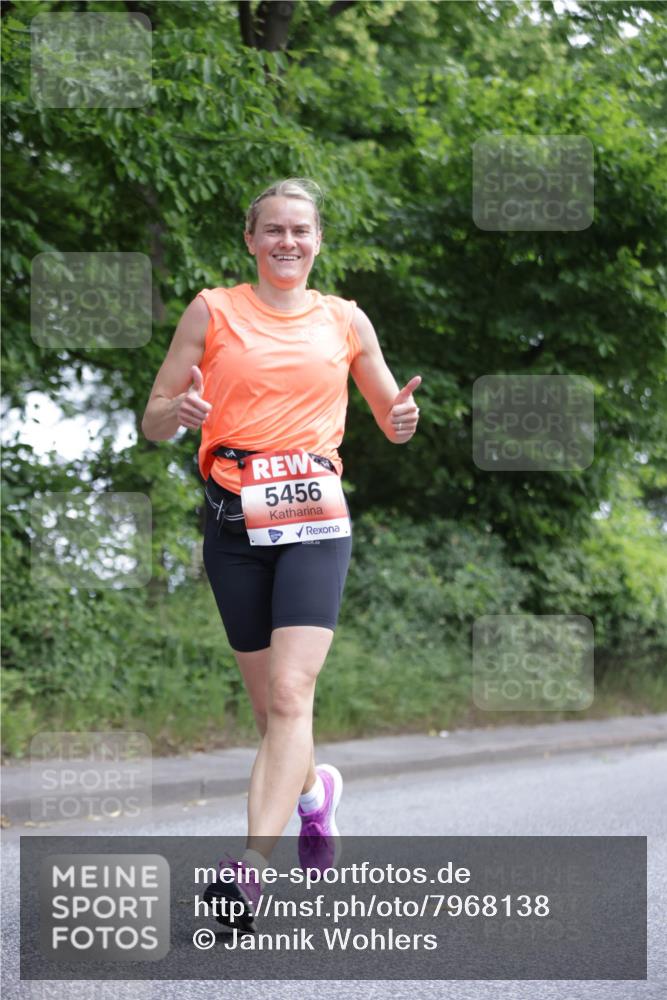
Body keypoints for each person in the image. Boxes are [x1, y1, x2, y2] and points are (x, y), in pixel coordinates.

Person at [141, 178, 421, 932]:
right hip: (232, 518)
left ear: (318, 241)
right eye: (273, 229)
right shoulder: (212, 311)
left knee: (293, 694)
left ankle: (247, 873)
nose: (287, 241)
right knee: (271, 709)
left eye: (300, 229)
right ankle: (313, 795)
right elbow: (153, 420)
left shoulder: (345, 320)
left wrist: (402, 418)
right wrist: (179, 411)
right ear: (251, 240)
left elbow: (390, 417)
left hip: (313, 516)